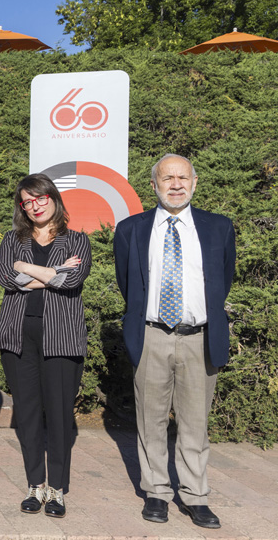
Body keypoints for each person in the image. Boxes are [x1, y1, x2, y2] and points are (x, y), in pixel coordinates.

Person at [113, 154, 235, 529]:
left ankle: (195, 496)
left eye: (183, 177)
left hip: (199, 337)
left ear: (194, 182)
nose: (176, 184)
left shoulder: (219, 227)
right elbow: (127, 283)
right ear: (154, 185)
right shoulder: (131, 229)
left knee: (195, 422)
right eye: (168, 178)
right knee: (150, 420)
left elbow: (224, 278)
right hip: (151, 335)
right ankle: (156, 492)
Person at [0, 174, 91, 518]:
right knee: (28, 413)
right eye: (27, 202)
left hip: (62, 338)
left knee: (60, 415)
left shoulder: (77, 240)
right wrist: (52, 272)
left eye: (40, 198)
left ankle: (57, 489)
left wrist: (26, 269)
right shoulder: (12, 240)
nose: (35, 206)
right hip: (18, 337)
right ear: (22, 208)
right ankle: (35, 485)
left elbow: (72, 280)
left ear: (53, 198)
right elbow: (7, 278)